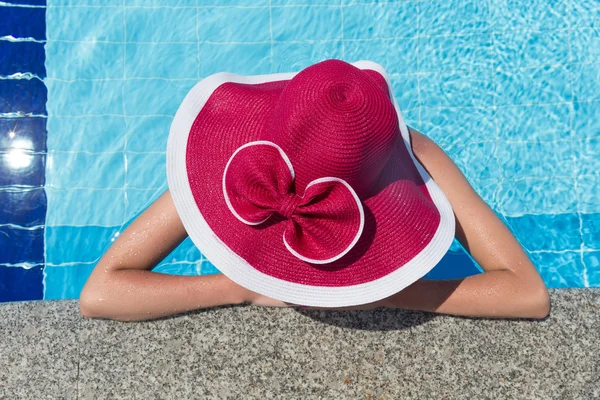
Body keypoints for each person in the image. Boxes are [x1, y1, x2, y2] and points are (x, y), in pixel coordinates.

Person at [79, 59, 550, 322]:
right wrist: (241, 288)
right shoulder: (243, 162)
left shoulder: (407, 152)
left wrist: (381, 295)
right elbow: (100, 294)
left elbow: (527, 295)